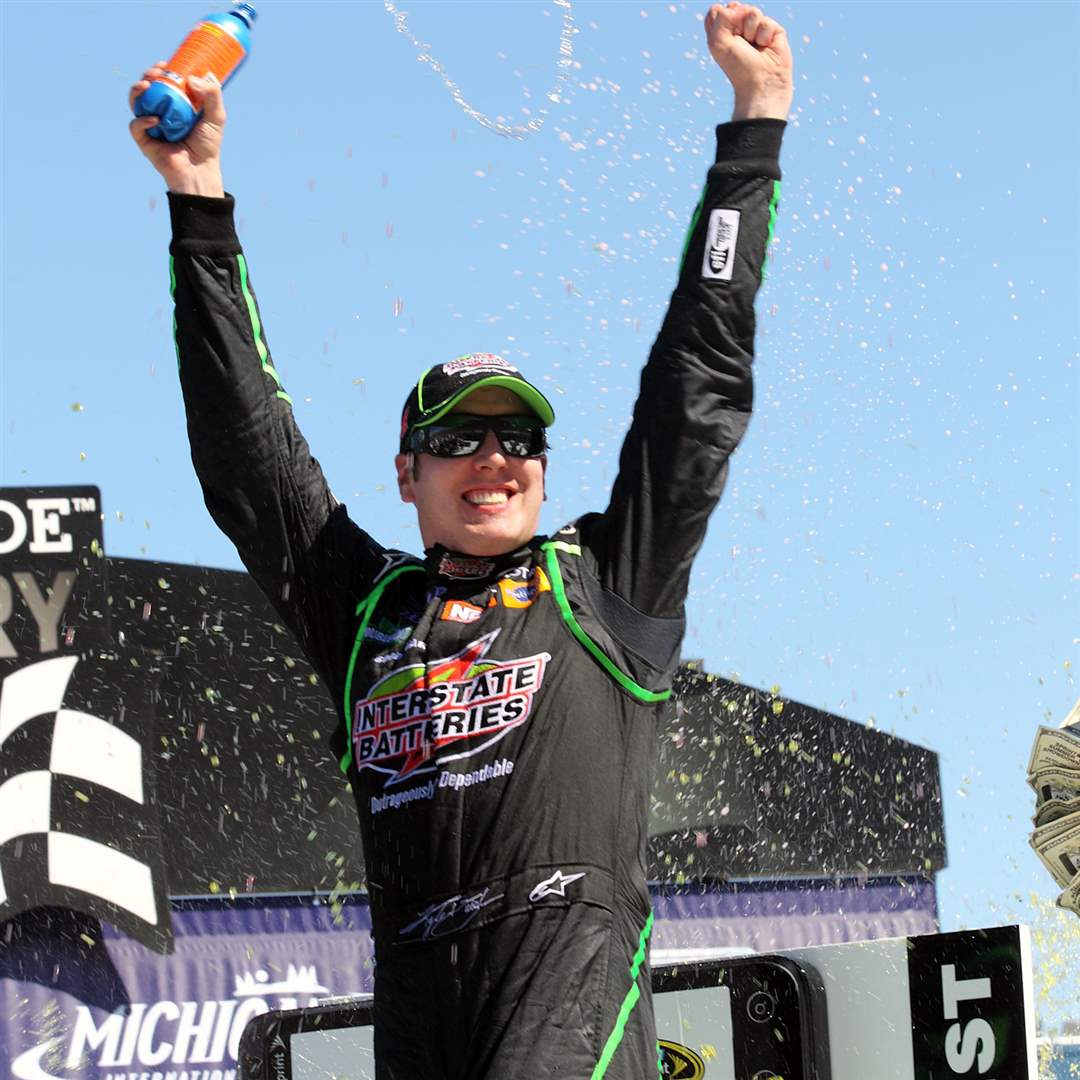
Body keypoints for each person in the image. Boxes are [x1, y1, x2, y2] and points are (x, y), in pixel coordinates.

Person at [130, 3, 792, 1076]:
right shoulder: (367, 610)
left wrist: (753, 126)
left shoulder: (605, 580)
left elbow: (699, 379)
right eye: (456, 439)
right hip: (421, 1012)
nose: (494, 458)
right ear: (408, 473)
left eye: (518, 437)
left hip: (568, 1002)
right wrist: (196, 194)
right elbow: (248, 460)